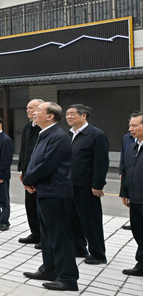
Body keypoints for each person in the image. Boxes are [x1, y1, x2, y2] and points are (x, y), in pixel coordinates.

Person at [22, 102, 78, 292]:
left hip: (55, 193)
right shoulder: (44, 134)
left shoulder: (58, 137)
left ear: (50, 116)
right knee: (46, 235)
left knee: (60, 236)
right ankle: (49, 269)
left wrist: (29, 179)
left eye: (38, 110)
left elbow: (48, 165)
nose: (33, 113)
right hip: (44, 191)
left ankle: (68, 278)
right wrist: (30, 181)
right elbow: (34, 161)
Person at [66, 104, 109, 265]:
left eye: (72, 114)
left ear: (83, 116)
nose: (68, 117)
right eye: (67, 114)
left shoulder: (96, 135)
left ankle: (98, 253)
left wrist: (97, 184)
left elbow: (101, 162)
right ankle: (79, 248)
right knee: (73, 219)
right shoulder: (69, 135)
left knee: (90, 220)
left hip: (87, 186)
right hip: (70, 184)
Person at [18, 99, 44, 245]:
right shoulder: (27, 128)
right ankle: (35, 233)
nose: (28, 110)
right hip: (27, 172)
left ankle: (43, 236)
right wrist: (22, 169)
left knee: (41, 206)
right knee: (30, 205)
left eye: (31, 108)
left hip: (39, 174)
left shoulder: (44, 129)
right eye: (27, 108)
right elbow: (23, 150)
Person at [120, 112, 143, 276]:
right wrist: (124, 192)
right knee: (138, 231)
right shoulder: (132, 145)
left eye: (134, 125)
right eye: (130, 125)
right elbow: (126, 172)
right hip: (135, 197)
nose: (130, 129)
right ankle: (141, 264)